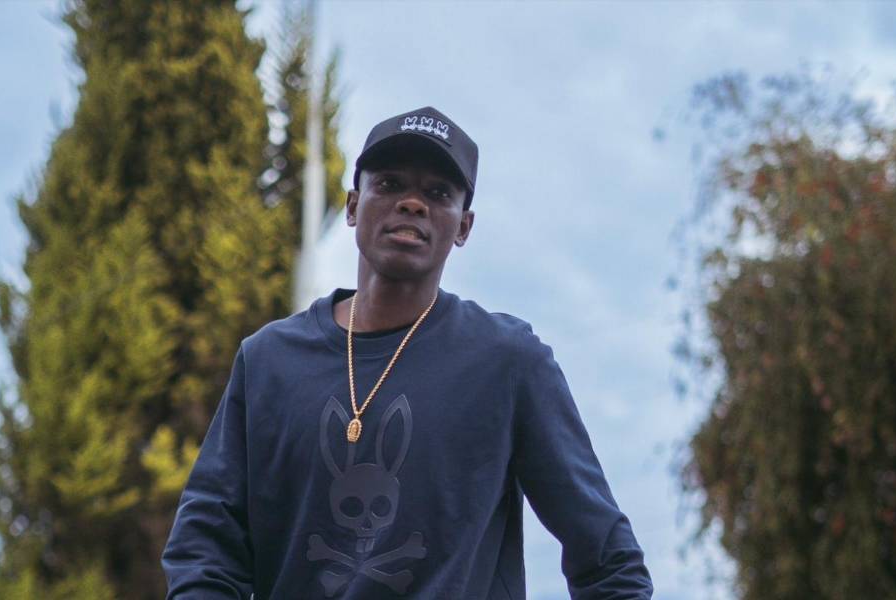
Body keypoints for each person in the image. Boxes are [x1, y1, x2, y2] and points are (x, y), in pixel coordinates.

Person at [161, 106, 653, 599]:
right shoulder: (268, 362)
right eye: (390, 184)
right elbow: (206, 548)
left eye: (438, 193)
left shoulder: (507, 362)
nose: (412, 203)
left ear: (463, 227)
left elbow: (609, 561)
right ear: (353, 206)